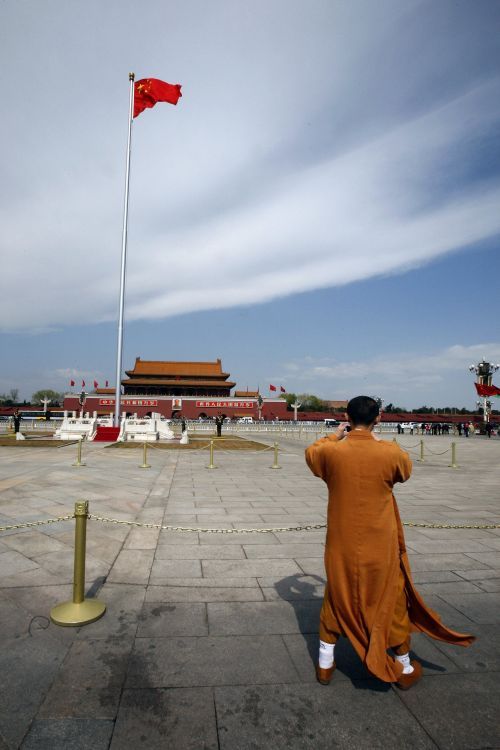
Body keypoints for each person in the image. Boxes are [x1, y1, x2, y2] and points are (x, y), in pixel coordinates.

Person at [305, 396, 474, 690]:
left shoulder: (332, 453)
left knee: (337, 595)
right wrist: (379, 441)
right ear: (378, 418)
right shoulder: (390, 453)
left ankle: (325, 664)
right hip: (379, 542)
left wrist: (337, 434)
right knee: (390, 599)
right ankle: (405, 665)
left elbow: (312, 452)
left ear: (347, 416)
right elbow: (405, 471)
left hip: (341, 542)